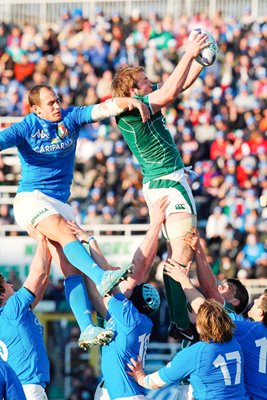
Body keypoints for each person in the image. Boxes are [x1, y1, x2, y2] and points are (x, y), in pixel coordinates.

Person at [0, 84, 149, 348]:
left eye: (58, 100)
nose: (57, 106)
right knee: (67, 234)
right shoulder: (25, 128)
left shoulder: (71, 116)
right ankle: (101, 276)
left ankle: (87, 327)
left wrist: (127, 101)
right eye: (50, 103)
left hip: (60, 203)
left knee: (72, 269)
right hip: (32, 199)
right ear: (35, 109)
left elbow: (103, 109)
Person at [111, 31, 211, 337]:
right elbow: (168, 92)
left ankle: (180, 320)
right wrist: (188, 52)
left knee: (183, 249)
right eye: (143, 80)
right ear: (131, 88)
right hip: (167, 181)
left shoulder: (141, 102)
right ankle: (180, 320)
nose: (149, 82)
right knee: (184, 247)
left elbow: (175, 88)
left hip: (164, 181)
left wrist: (199, 62)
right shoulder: (130, 109)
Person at [68, 197, 168, 400]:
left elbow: (108, 278)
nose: (127, 287)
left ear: (131, 302)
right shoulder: (132, 318)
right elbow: (104, 283)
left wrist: (90, 241)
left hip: (124, 395)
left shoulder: (128, 318)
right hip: (117, 391)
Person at [164, 258, 267, 400]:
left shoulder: (245, 328)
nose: (254, 301)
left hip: (203, 386)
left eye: (260, 299)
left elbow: (207, 304)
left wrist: (183, 279)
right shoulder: (247, 329)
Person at [127, 300, 247, 400]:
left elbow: (155, 382)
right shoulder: (234, 343)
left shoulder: (195, 353)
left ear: (200, 324)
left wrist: (140, 377)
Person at [0, 225, 51, 399]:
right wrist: (41, 238)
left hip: (21, 388)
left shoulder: (14, 315)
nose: (12, 285)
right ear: (1, 294)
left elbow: (43, 279)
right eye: (7, 284)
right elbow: (37, 274)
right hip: (27, 388)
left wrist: (48, 248)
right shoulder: (11, 310)